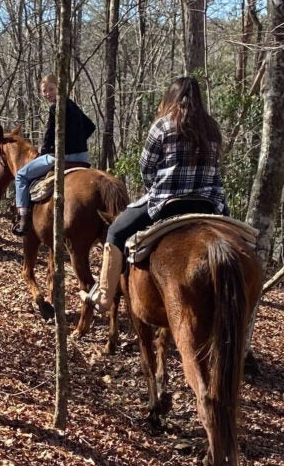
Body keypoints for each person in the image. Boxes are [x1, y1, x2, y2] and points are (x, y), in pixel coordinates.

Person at [82, 76, 228, 311]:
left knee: (116, 231)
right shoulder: (212, 127)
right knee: (239, 243)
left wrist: (155, 188)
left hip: (168, 203)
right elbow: (216, 167)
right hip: (209, 204)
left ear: (171, 98)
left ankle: (104, 297)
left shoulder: (162, 125)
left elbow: (146, 167)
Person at [12, 74, 96, 235]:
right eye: (44, 91)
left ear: (58, 87)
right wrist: (77, 141)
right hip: (83, 157)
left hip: (62, 157)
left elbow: (49, 135)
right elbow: (91, 126)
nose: (48, 93)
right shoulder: (72, 104)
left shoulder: (55, 107)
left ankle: (23, 218)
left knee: (21, 176)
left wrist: (43, 152)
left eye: (51, 89)